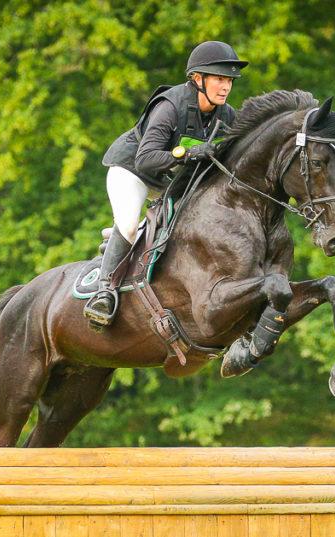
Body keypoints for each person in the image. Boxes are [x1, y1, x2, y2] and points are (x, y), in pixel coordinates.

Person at [84, 40, 249, 330]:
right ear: (198, 79)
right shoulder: (169, 107)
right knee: (129, 225)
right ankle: (104, 291)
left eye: (229, 81)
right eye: (220, 79)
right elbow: (146, 158)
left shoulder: (226, 116)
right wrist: (188, 153)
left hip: (169, 179)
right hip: (132, 170)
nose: (226, 87)